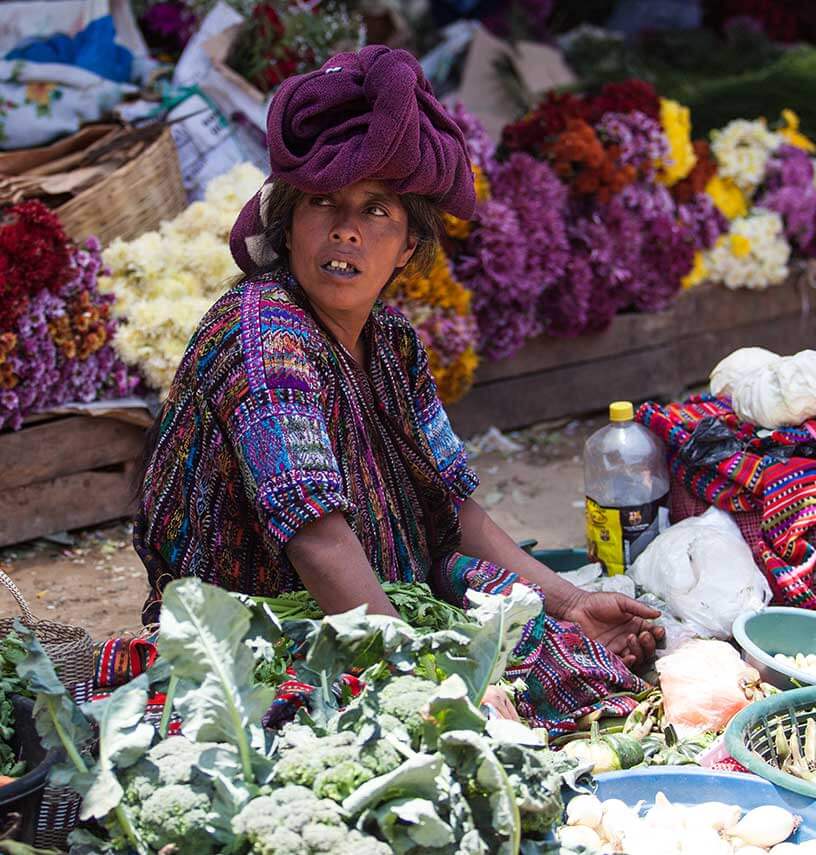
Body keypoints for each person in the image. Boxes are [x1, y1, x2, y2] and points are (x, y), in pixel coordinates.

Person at [134, 45, 663, 733]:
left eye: (376, 210)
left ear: (409, 245)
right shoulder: (263, 335)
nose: (346, 229)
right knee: (511, 703)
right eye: (322, 203)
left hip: (382, 590)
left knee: (564, 653)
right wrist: (427, 683)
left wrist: (566, 600)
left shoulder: (391, 341)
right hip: (261, 630)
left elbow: (453, 506)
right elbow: (319, 542)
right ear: (289, 224)